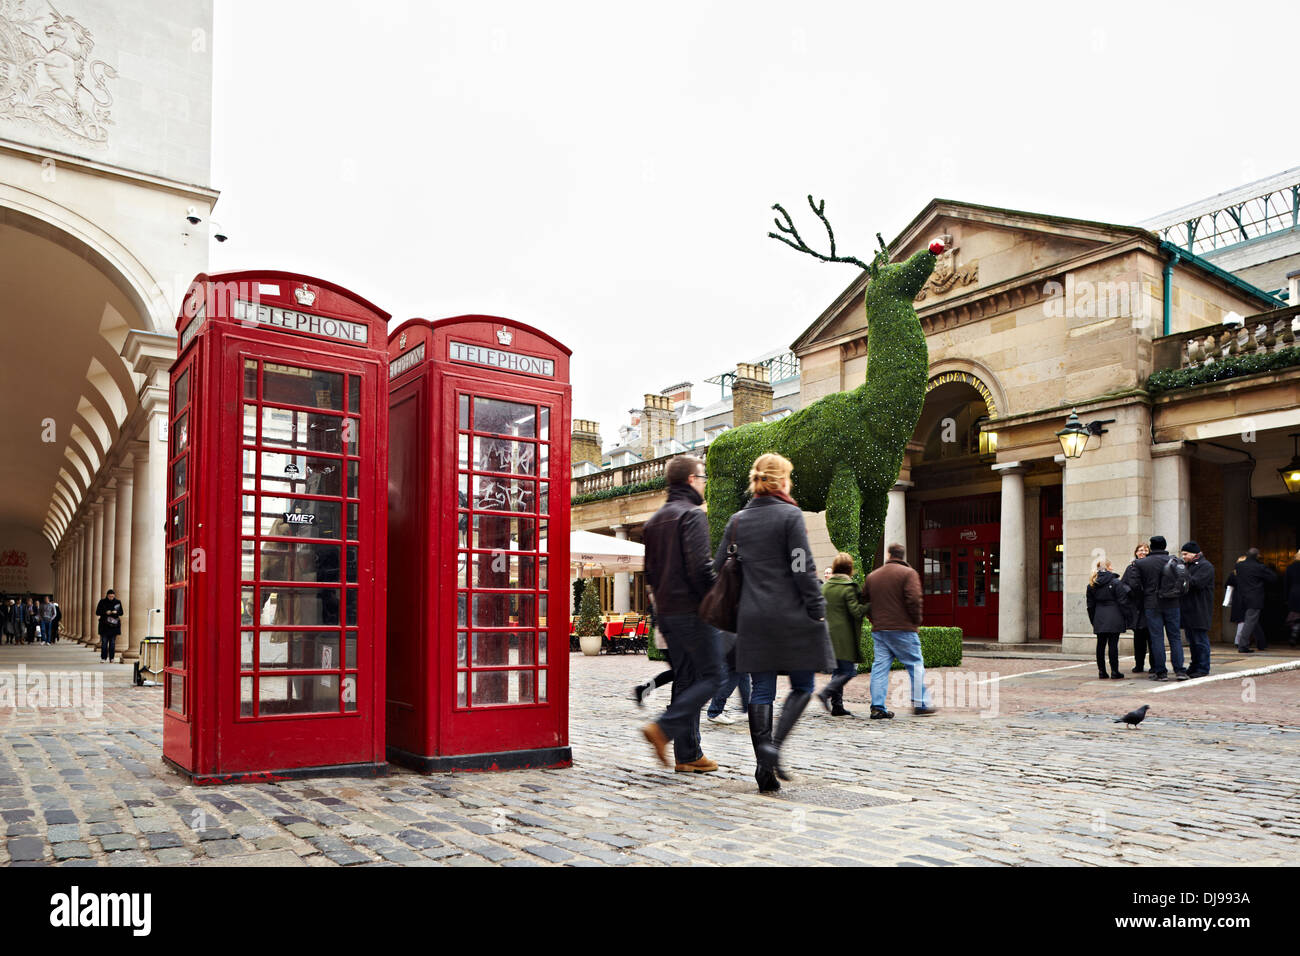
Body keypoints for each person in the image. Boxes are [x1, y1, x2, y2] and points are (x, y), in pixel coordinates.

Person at [713, 453, 833, 792]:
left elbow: (718, 566)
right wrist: (816, 606)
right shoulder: (790, 515)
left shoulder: (737, 521)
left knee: (762, 689)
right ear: (781, 481)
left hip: (751, 618)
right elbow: (801, 566)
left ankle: (763, 770)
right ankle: (774, 749)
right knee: (804, 685)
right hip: (791, 614)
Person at [638, 456, 723, 774]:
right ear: (690, 479)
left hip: (667, 614)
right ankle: (662, 729)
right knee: (714, 676)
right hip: (693, 611)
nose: (704, 482)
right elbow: (701, 568)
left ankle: (688, 754)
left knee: (686, 680)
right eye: (702, 477)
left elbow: (650, 573)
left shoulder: (654, 521)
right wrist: (720, 599)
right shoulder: (692, 515)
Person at [866, 542, 936, 718]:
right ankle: (920, 703)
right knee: (915, 664)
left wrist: (874, 619)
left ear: (889, 555)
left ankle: (877, 706)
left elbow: (864, 602)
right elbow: (914, 599)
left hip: (880, 629)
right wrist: (916, 621)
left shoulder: (873, 576)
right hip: (903, 628)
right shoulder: (908, 573)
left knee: (880, 667)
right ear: (902, 556)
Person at [1122, 535, 1186, 681]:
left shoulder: (1141, 563)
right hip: (1172, 603)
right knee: (1175, 637)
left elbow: (1134, 585)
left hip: (1151, 604)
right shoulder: (1175, 561)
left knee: (1157, 638)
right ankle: (1180, 670)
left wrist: (1142, 597)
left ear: (1152, 546)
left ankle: (1161, 672)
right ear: (1164, 546)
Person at [816, 552, 866, 716]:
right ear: (850, 568)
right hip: (843, 636)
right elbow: (856, 612)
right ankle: (826, 693)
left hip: (827, 633)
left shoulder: (825, 587)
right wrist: (868, 605)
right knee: (848, 671)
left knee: (839, 671)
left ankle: (837, 706)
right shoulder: (848, 587)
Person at [1180, 542, 1215, 678]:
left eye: (1186, 554)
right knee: (1192, 642)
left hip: (1200, 609)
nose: (1183, 557)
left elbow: (1196, 583)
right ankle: (1194, 665)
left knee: (1200, 640)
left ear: (1194, 553)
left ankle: (1203, 667)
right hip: (1189, 609)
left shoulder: (1205, 566)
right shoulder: (1188, 566)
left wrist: (1182, 574)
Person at [1232, 548, 1277, 652]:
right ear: (1257, 556)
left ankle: (1261, 643)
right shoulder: (1259, 567)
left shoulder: (1239, 566)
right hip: (1255, 597)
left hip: (1242, 597)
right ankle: (1242, 645)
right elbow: (1273, 578)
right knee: (1250, 621)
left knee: (1252, 621)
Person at [1125, 543, 1151, 673]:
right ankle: (1139, 664)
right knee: (1138, 640)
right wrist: (1129, 591)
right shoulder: (1131, 568)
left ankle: (1154, 665)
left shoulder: (1151, 566)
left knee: (1152, 639)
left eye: (1146, 550)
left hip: (1149, 606)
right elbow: (1123, 584)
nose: (1143, 552)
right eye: (1140, 550)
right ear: (1136, 552)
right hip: (1136, 608)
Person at [95, 588, 124, 662]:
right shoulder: (102, 602)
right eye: (110, 596)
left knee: (112, 643)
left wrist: (116, 612)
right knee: (104, 642)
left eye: (112, 596)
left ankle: (112, 658)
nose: (111, 598)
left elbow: (121, 612)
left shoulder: (118, 602)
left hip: (114, 626)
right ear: (107, 596)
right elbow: (97, 612)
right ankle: (103, 658)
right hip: (104, 625)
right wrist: (105, 612)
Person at [1285, 550, 1300, 647]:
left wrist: (1286, 597)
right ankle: (1295, 632)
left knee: (1296, 615)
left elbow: (1286, 583)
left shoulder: (1290, 567)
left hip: (1294, 593)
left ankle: (1295, 631)